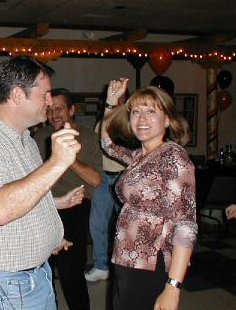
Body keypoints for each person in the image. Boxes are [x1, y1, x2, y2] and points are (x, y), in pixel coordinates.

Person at [0, 55, 83, 310]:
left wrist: (51, 224)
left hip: (32, 273)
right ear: (16, 95)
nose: (50, 101)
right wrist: (56, 163)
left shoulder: (26, 140)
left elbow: (26, 194)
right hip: (5, 281)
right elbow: (0, 210)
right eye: (45, 94)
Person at [101, 78, 197, 310]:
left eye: (151, 112)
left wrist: (173, 287)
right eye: (135, 112)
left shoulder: (172, 158)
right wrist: (111, 102)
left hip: (151, 264)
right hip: (127, 258)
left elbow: (186, 225)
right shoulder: (139, 156)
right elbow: (108, 143)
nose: (141, 119)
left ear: (168, 120)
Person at [34, 87, 102, 310]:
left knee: (71, 273)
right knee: (43, 272)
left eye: (60, 108)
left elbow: (95, 180)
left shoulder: (87, 136)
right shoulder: (41, 137)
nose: (54, 114)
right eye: (50, 109)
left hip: (75, 208)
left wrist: (68, 158)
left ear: (72, 110)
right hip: (44, 208)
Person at [85, 88, 127, 283]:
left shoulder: (132, 122)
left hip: (124, 177)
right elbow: (97, 149)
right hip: (103, 177)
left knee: (126, 224)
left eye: (122, 98)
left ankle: (124, 265)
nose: (118, 101)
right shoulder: (101, 123)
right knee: (97, 223)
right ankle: (101, 265)